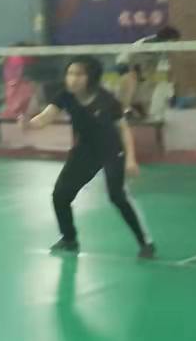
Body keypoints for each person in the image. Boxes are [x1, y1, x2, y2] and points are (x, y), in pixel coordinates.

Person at [26, 55, 155, 259]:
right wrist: (29, 123)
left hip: (112, 151)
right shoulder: (65, 96)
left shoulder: (107, 100)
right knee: (60, 195)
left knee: (117, 196)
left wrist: (131, 159)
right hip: (84, 152)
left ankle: (145, 242)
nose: (73, 79)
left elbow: (123, 130)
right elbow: (45, 117)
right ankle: (69, 238)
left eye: (79, 74)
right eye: (70, 74)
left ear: (91, 77)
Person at [114, 25, 181, 120]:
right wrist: (139, 74)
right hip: (124, 63)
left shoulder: (161, 47)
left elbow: (153, 65)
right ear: (168, 38)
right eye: (174, 41)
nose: (174, 44)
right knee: (132, 82)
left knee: (149, 84)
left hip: (140, 65)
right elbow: (135, 60)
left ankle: (138, 106)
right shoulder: (150, 43)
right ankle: (126, 109)